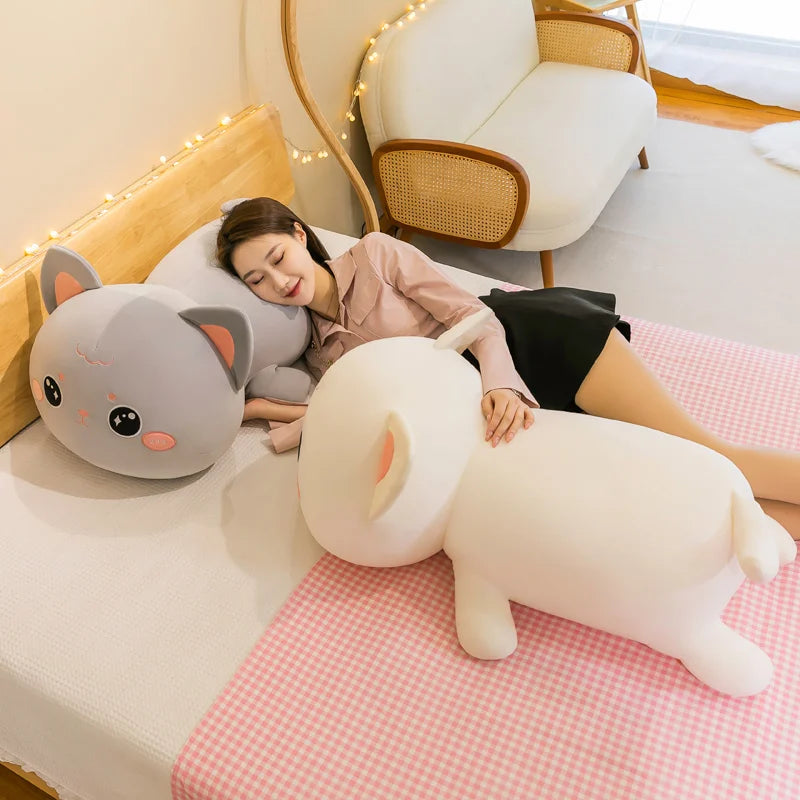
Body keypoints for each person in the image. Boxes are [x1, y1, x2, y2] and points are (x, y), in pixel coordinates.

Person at [216, 197, 800, 539]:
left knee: (701, 452)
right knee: (667, 482)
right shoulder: (319, 352)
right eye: (256, 281)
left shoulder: (375, 253)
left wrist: (499, 379)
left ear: (299, 234)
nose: (278, 281)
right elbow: (351, 407)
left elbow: (470, 313)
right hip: (484, 406)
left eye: (277, 257)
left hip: (532, 342)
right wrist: (259, 408)